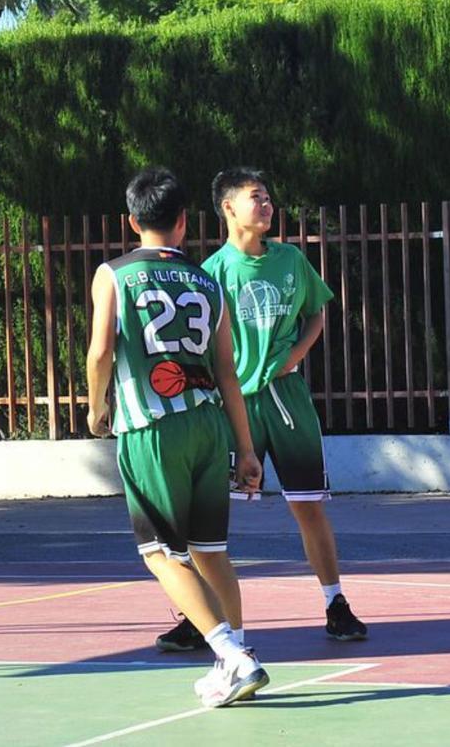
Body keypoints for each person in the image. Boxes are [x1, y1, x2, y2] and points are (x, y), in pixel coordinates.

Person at [155, 166, 368, 652]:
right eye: (257, 197)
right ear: (229, 207)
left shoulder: (291, 260)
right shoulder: (213, 273)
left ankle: (336, 603)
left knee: (308, 506)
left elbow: (317, 312)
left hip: (286, 400)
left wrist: (291, 357)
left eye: (269, 197)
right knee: (206, 518)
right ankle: (200, 615)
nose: (268, 205)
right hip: (233, 404)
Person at [86, 166, 269, 706]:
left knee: (160, 553)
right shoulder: (208, 281)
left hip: (152, 426)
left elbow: (100, 352)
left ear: (131, 221)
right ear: (186, 222)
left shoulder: (114, 274)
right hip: (210, 425)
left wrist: (96, 409)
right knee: (212, 551)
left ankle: (232, 656)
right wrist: (248, 448)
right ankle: (238, 656)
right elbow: (229, 372)